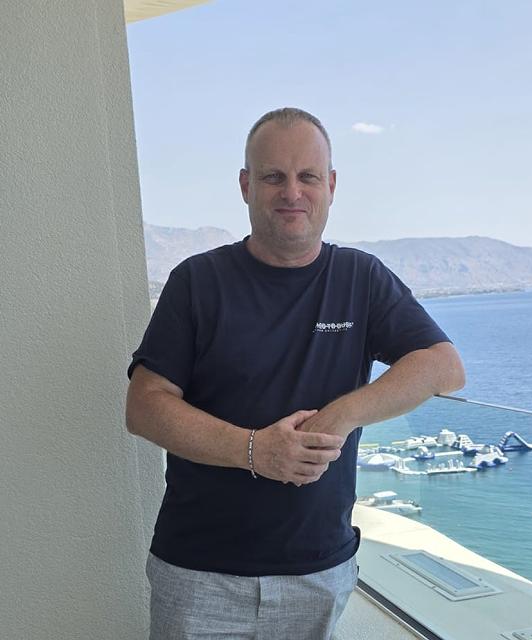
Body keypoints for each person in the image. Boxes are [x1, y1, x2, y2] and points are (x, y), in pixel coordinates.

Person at [125, 107, 465, 640]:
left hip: (317, 572)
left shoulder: (360, 277)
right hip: (199, 573)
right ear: (246, 186)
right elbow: (144, 406)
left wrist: (340, 415)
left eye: (308, 176)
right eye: (273, 177)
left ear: (331, 186)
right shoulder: (197, 281)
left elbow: (443, 366)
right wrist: (256, 450)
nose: (292, 192)